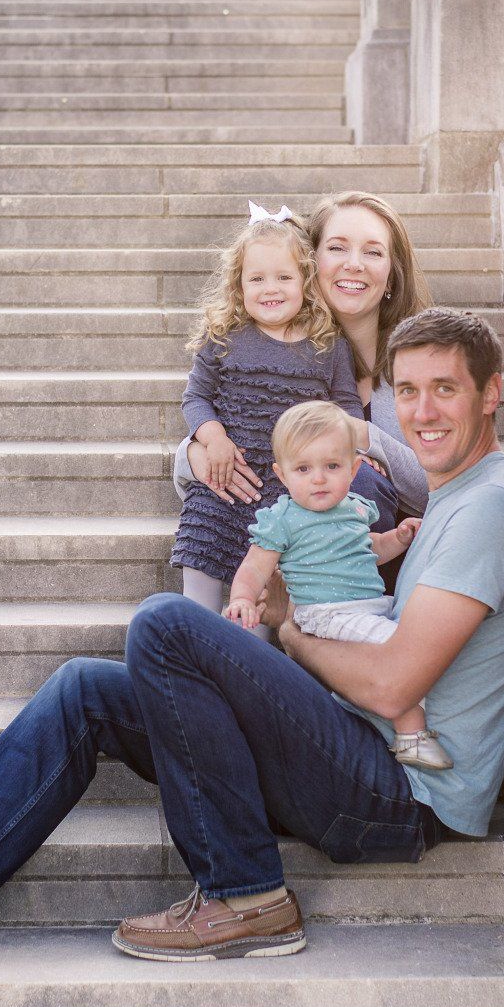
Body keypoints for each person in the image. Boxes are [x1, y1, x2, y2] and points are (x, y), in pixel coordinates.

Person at [0, 308, 504, 963]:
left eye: (445, 389)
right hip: (356, 747)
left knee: (168, 623)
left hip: (400, 794)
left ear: (490, 395)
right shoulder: (457, 499)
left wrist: (287, 631)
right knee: (88, 690)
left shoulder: (492, 510)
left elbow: (391, 687)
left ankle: (246, 895)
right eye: (409, 390)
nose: (422, 411)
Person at [179, 192, 431, 556]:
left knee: (360, 478)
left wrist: (359, 436)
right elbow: (207, 414)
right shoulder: (253, 349)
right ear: (310, 264)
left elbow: (445, 484)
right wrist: (197, 453)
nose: (354, 264)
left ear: (392, 276)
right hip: (273, 553)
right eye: (338, 248)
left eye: (374, 252)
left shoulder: (421, 367)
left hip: (383, 565)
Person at [221, 399, 445, 769]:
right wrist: (242, 597)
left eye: (332, 466)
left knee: (419, 637)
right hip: (325, 614)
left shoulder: (356, 508)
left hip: (367, 607)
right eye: (304, 468)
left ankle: (376, 720)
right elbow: (254, 568)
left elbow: (369, 549)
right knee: (401, 655)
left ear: (355, 468)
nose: (319, 478)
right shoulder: (284, 520)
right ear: (282, 474)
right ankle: (411, 737)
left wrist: (398, 539)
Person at [170, 205, 360, 611]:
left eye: (284, 277)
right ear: (238, 286)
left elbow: (346, 409)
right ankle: (194, 637)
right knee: (200, 561)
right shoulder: (223, 337)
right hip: (222, 479)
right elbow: (196, 397)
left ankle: (254, 653)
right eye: (257, 278)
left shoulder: (328, 345)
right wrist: (213, 438)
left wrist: (357, 451)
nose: (270, 288)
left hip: (287, 492)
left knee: (267, 596)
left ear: (306, 282)